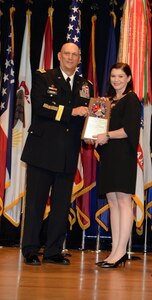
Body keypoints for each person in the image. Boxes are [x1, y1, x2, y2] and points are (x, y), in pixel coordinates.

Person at [21, 42, 93, 266]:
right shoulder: (44, 77)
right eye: (67, 54)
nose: (71, 58)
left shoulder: (85, 85)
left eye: (75, 55)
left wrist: (91, 133)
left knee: (61, 206)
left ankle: (53, 251)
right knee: (35, 204)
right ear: (59, 56)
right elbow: (41, 107)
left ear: (80, 59)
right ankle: (31, 250)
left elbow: (88, 117)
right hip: (42, 151)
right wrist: (71, 111)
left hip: (68, 153)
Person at [93, 63, 141, 268]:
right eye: (113, 76)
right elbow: (98, 127)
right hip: (109, 155)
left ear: (128, 78)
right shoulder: (106, 101)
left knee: (123, 202)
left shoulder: (132, 99)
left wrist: (107, 135)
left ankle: (121, 251)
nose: (116, 80)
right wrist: (93, 136)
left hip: (123, 155)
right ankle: (114, 250)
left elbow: (129, 130)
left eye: (121, 76)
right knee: (112, 202)